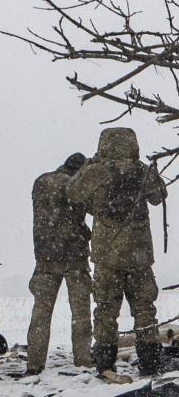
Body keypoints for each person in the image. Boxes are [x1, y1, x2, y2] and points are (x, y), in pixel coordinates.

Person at [67, 127, 168, 377]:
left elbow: (72, 192)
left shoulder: (97, 170)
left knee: (105, 310)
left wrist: (91, 165)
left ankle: (104, 362)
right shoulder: (140, 170)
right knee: (145, 309)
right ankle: (150, 361)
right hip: (139, 255)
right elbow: (159, 195)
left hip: (107, 255)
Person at [25, 152, 93, 375]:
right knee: (80, 312)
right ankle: (83, 359)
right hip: (75, 256)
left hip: (45, 256)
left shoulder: (41, 181)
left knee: (41, 313)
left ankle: (35, 363)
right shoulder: (76, 185)